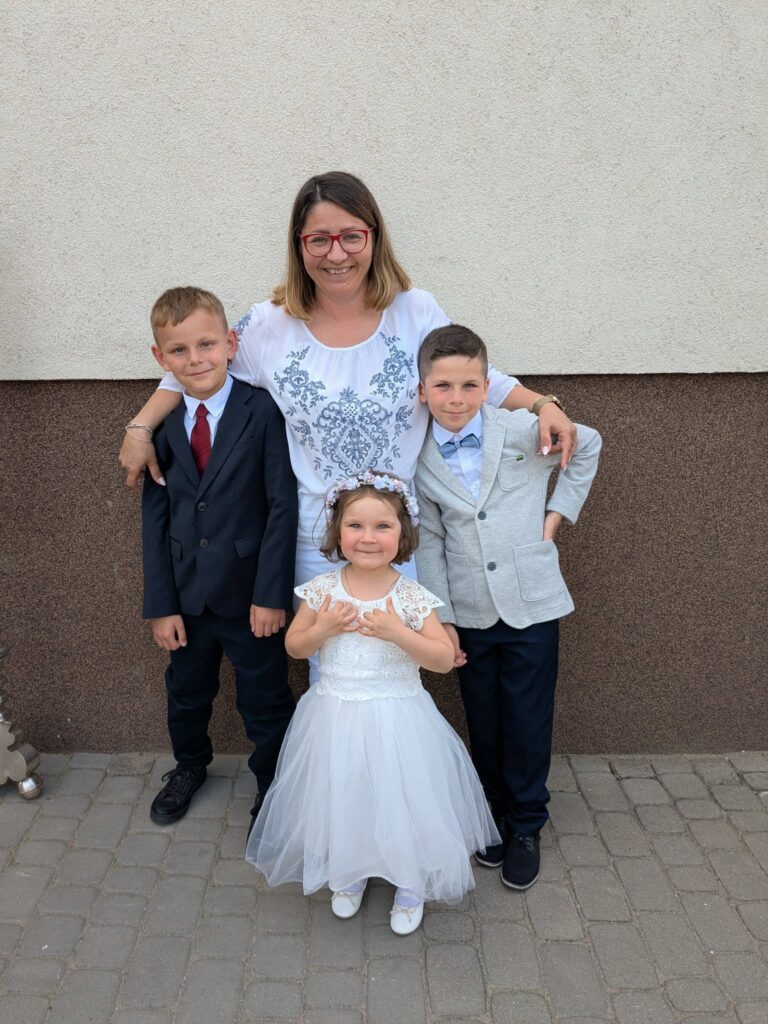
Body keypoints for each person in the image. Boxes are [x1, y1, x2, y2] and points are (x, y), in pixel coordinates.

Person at [119, 172, 578, 651]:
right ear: (298, 245)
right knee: (334, 668)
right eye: (319, 240)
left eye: (351, 237)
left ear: (374, 237)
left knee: (399, 666)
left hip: (399, 535)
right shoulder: (268, 325)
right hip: (315, 540)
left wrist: (541, 403)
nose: (336, 255)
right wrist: (141, 427)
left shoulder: (415, 311)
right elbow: (195, 369)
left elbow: (478, 375)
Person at [246, 472, 499, 935]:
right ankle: (350, 870)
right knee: (347, 792)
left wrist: (398, 633)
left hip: (398, 718)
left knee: (402, 798)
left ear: (403, 534)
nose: (368, 537)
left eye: (382, 526)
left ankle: (410, 881)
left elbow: (443, 659)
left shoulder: (410, 596)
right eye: (355, 526)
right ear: (337, 531)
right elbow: (294, 646)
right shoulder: (323, 590)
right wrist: (323, 629)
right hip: (334, 715)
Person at [413, 324, 601, 890]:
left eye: (470, 385)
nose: (456, 399)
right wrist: (443, 618)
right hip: (469, 607)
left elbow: (588, 444)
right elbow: (430, 541)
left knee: (527, 714)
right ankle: (492, 811)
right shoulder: (418, 455)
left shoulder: (520, 429)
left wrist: (554, 518)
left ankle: (526, 823)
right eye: (443, 386)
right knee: (484, 715)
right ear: (422, 390)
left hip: (531, 602)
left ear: (486, 385)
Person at [141, 287, 297, 826]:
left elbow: (282, 507)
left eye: (206, 344)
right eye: (179, 350)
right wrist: (161, 606)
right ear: (161, 358)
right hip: (186, 597)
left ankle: (272, 784)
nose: (195, 359)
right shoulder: (162, 426)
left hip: (250, 595)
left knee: (265, 697)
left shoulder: (262, 411)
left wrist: (271, 595)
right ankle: (189, 766)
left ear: (231, 344)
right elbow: (155, 519)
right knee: (186, 692)